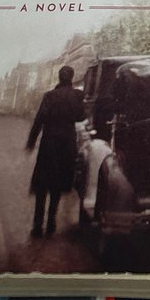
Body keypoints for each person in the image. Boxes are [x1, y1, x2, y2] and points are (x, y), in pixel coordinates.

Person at [26, 65, 86, 238]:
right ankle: (51, 223)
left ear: (59, 78)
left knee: (42, 184)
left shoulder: (49, 96)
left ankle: (37, 226)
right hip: (66, 144)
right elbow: (81, 117)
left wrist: (31, 142)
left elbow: (39, 119)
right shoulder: (77, 96)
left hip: (49, 144)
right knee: (57, 185)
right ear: (71, 78)